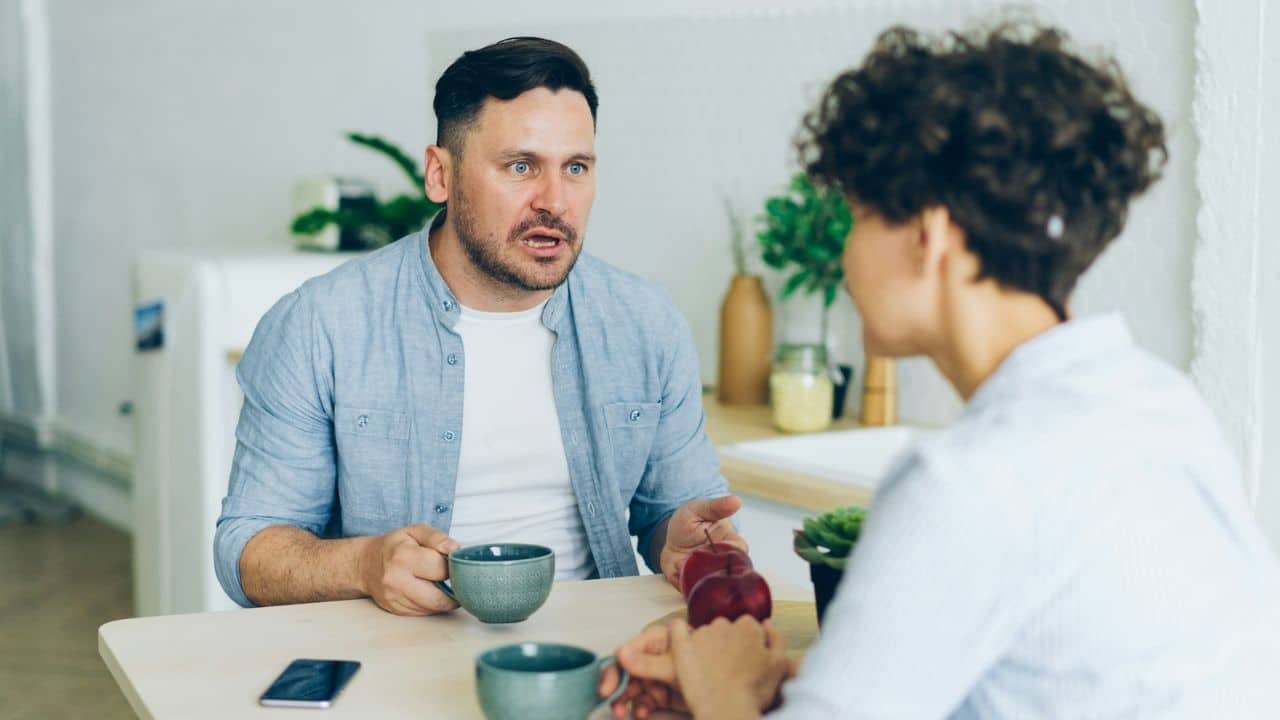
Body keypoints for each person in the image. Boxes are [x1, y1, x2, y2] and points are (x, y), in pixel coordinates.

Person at [603, 22, 1280, 719]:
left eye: (858, 216)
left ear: (929, 239)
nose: (845, 258)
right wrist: (779, 684)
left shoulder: (967, 480)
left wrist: (725, 692)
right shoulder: (1160, 404)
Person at [213, 36, 745, 615]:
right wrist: (363, 565)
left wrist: (685, 544)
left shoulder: (646, 322)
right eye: (521, 166)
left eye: (576, 167)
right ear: (441, 175)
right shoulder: (320, 325)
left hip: (597, 651)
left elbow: (675, 513)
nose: (555, 202)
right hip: (397, 654)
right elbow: (249, 551)